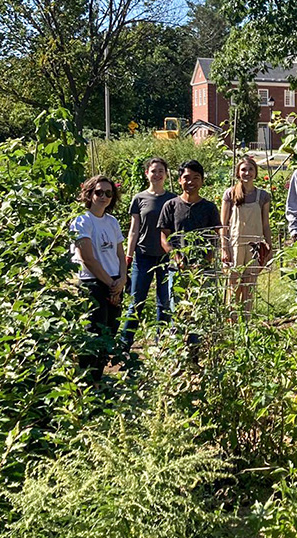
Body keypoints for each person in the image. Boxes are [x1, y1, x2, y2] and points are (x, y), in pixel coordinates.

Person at [70, 175, 126, 385]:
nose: (104, 197)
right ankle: (85, 384)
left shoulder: (112, 222)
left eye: (108, 193)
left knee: (109, 332)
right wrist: (110, 285)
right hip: (93, 282)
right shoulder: (82, 221)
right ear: (89, 194)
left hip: (114, 282)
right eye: (99, 192)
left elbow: (120, 254)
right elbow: (88, 258)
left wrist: (121, 279)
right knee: (93, 334)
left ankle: (98, 379)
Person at [120, 157, 175, 348]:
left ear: (166, 175)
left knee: (164, 302)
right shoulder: (139, 198)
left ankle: (163, 344)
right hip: (143, 256)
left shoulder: (173, 199)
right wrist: (128, 255)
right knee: (136, 301)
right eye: (153, 171)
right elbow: (134, 230)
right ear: (147, 174)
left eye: (161, 171)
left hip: (166, 257)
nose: (157, 174)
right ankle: (125, 343)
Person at [221, 156, 274, 311]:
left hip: (254, 247)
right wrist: (224, 247)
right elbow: (223, 224)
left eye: (251, 169)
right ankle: (233, 322)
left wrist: (269, 247)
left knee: (249, 285)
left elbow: (265, 224)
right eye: (243, 169)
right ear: (238, 172)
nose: (247, 173)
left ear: (255, 172)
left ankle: (248, 322)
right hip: (235, 245)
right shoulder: (230, 194)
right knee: (234, 285)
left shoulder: (263, 196)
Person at [158, 160, 222, 269]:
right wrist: (177, 259)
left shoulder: (209, 207)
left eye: (196, 178)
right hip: (177, 268)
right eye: (186, 178)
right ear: (179, 180)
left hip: (203, 271)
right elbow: (164, 237)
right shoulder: (171, 206)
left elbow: (215, 237)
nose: (190, 182)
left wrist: (205, 261)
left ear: (202, 181)